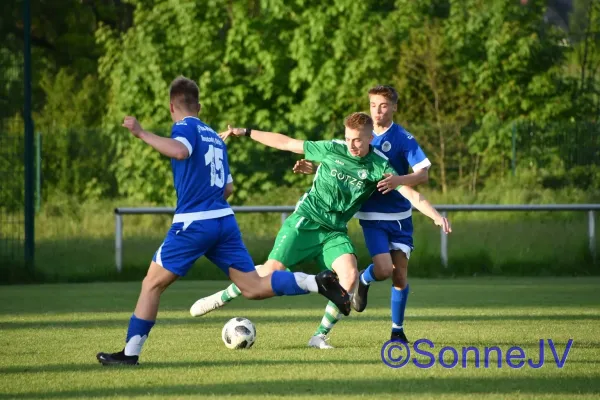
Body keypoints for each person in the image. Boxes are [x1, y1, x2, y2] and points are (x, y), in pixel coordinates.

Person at [95, 76, 350, 366]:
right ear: (199, 106)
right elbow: (228, 189)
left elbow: (179, 150)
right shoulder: (215, 137)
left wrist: (141, 132)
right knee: (252, 285)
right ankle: (316, 282)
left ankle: (130, 354)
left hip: (194, 223)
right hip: (224, 221)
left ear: (171, 107)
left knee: (151, 285)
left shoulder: (184, 127)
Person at [189, 112, 450, 348]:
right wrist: (246, 132)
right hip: (305, 222)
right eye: (348, 139)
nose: (352, 145)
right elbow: (287, 143)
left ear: (371, 138)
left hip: (334, 232)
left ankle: (319, 336)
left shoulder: (379, 165)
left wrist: (436, 216)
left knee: (349, 277)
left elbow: (411, 194)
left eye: (358, 140)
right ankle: (223, 296)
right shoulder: (332, 148)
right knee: (270, 273)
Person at [292, 85, 437, 347]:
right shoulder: (359, 135)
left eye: (383, 105)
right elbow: (340, 165)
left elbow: (423, 174)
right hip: (372, 215)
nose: (378, 110)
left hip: (400, 215)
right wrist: (313, 168)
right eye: (373, 105)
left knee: (400, 275)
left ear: (394, 107)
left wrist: (398, 181)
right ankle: (362, 280)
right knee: (383, 270)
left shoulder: (403, 138)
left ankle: (397, 331)